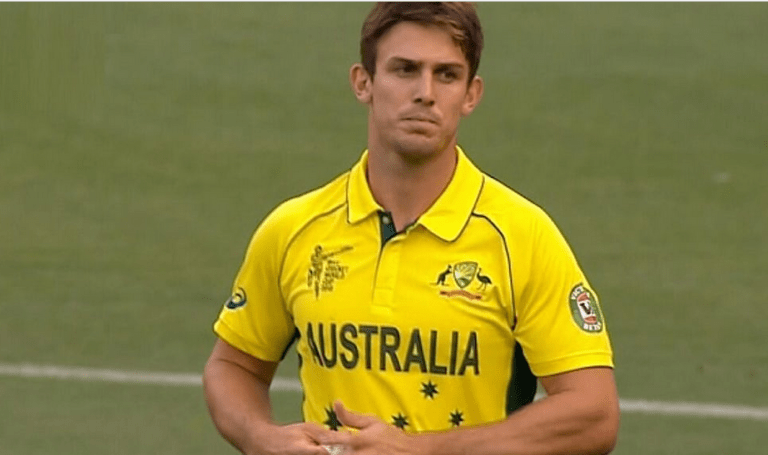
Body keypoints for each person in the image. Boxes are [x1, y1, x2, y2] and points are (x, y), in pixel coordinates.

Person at [203, 3, 620, 455]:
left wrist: (422, 451)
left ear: (471, 94)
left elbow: (594, 414)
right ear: (363, 82)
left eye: (446, 75)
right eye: (405, 70)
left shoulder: (521, 236)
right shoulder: (294, 229)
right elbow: (233, 366)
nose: (425, 93)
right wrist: (260, 437)